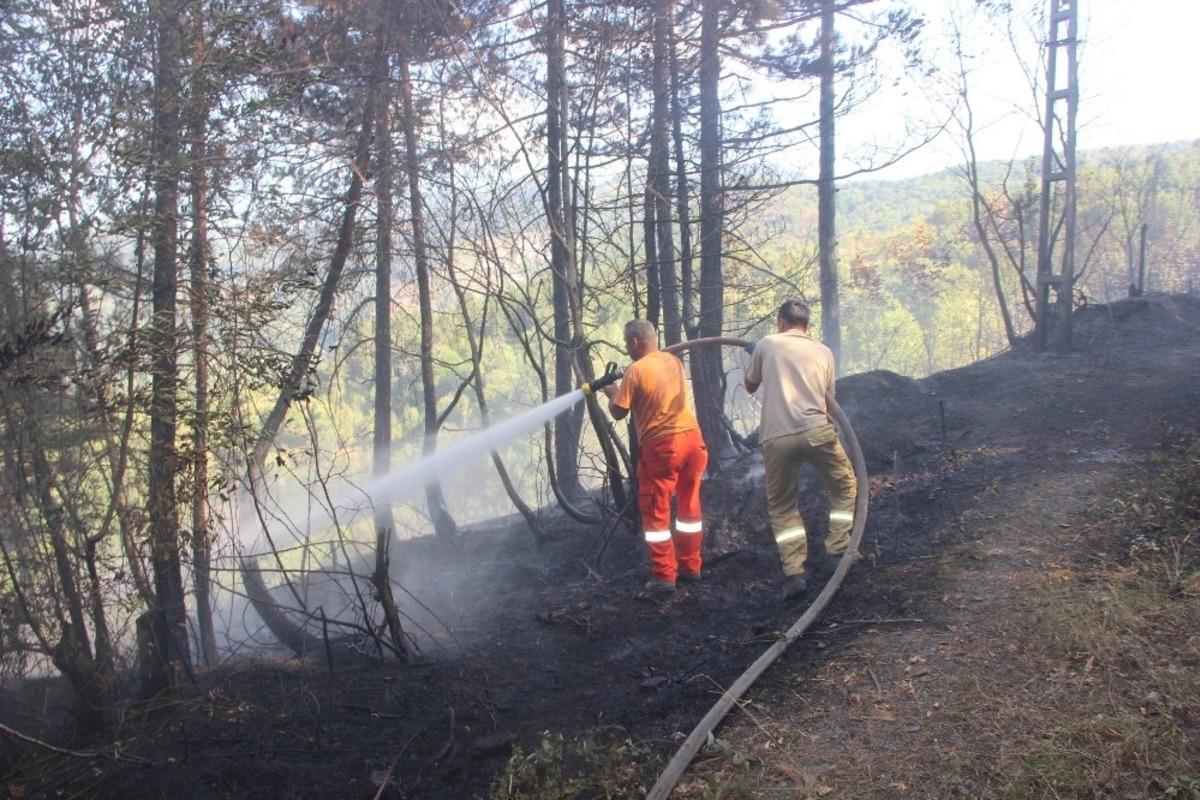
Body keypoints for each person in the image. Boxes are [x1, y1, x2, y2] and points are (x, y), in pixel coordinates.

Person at [744, 299, 857, 601]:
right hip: (816, 430)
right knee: (844, 485)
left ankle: (794, 572)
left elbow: (749, 385)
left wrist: (757, 356)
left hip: (776, 438)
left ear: (781, 322)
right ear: (807, 325)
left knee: (782, 505)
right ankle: (837, 549)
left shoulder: (767, 344)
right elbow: (828, 398)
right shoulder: (823, 351)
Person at [600, 319, 708, 596]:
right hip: (693, 442)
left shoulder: (635, 372)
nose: (627, 349)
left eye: (627, 344)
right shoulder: (673, 362)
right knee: (689, 508)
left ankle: (663, 577)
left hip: (663, 447)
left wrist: (612, 392)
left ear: (635, 342)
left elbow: (619, 411)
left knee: (656, 509)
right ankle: (691, 567)